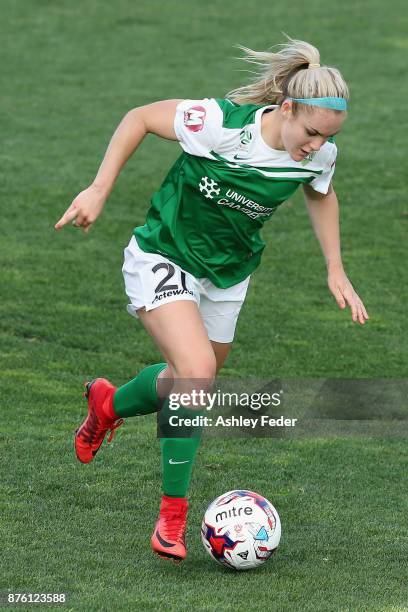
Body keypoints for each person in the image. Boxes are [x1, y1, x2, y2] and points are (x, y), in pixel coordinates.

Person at [54, 35, 369, 564]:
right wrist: (99, 188)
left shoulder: (317, 154)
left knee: (187, 381)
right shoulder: (220, 123)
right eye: (310, 132)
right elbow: (138, 118)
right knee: (196, 370)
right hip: (163, 254)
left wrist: (335, 267)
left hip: (228, 276)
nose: (315, 146)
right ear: (286, 108)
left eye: (326, 138)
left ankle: (107, 403)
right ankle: (171, 520)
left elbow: (321, 191)